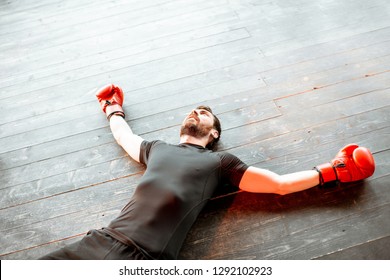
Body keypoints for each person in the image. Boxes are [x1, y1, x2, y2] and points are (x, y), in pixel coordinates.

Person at [40, 84, 375, 260]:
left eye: (204, 113)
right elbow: (125, 137)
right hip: (99, 240)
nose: (196, 111)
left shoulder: (219, 163)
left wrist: (332, 171)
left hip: (143, 259)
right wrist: (113, 108)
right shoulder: (158, 148)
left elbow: (278, 185)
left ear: (213, 134)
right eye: (194, 110)